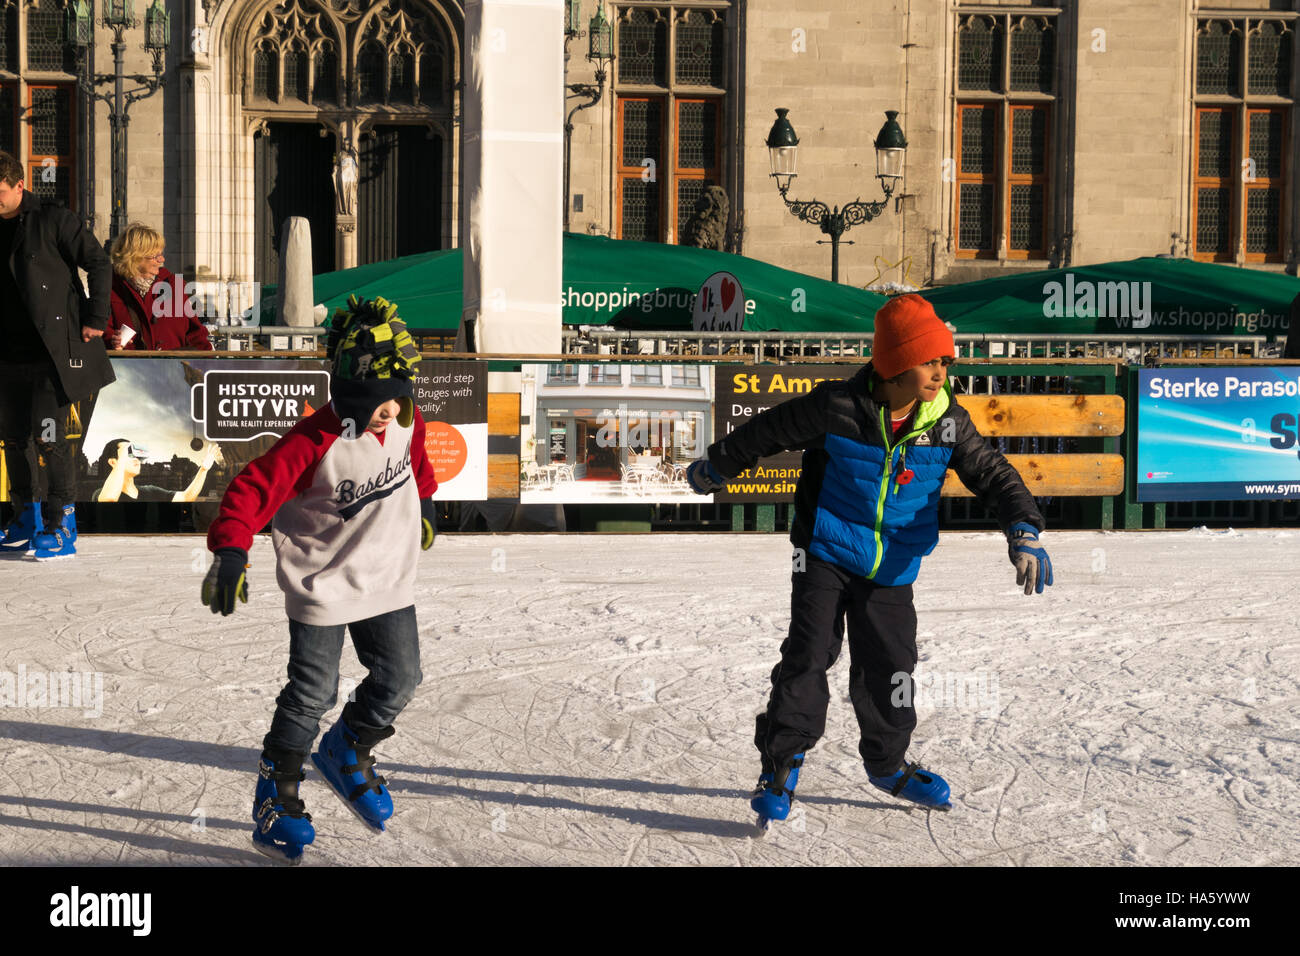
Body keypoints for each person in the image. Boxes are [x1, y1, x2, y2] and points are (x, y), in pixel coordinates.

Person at [686, 293, 1053, 827]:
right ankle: (781, 766)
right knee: (808, 655)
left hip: (893, 565)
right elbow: (768, 432)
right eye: (931, 361)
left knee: (891, 666)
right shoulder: (837, 407)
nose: (942, 371)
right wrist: (718, 465)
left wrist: (1023, 530)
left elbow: (993, 474)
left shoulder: (947, 420)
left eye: (945, 361)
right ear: (896, 365)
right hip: (826, 552)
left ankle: (887, 765)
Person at [200, 295, 438, 864]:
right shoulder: (314, 440)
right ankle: (276, 797)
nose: (381, 414)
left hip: (387, 579)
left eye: (389, 403)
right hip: (323, 584)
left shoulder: (407, 420)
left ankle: (348, 749)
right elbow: (251, 490)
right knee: (313, 693)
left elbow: (419, 465)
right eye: (366, 404)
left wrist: (425, 506)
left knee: (401, 678)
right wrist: (231, 550)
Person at [0, 150, 114, 560]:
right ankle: (25, 516)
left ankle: (61, 521)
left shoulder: (52, 218)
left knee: (49, 438)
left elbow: (99, 262)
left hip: (51, 354)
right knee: (13, 438)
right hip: (7, 354)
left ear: (19, 186)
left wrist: (96, 317)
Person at [106, 223, 213, 351]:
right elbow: (101, 333)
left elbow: (196, 334)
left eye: (161, 254)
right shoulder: (110, 288)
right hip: (130, 368)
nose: (162, 259)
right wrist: (113, 341)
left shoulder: (174, 285)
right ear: (135, 258)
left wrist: (208, 361)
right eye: (155, 256)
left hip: (173, 368)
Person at [94, 438, 218, 502]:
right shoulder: (101, 493)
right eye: (129, 453)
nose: (136, 459)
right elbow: (109, 499)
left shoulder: (151, 491)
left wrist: (203, 470)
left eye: (136, 454)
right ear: (113, 462)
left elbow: (186, 498)